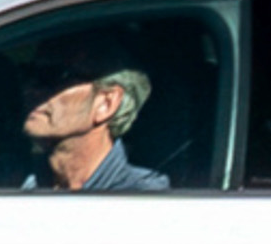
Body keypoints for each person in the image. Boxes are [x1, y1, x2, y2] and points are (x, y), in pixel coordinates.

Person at [18, 60, 168, 191]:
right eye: (27, 73)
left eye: (52, 76)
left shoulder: (144, 199)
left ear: (106, 103)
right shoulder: (22, 186)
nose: (30, 89)